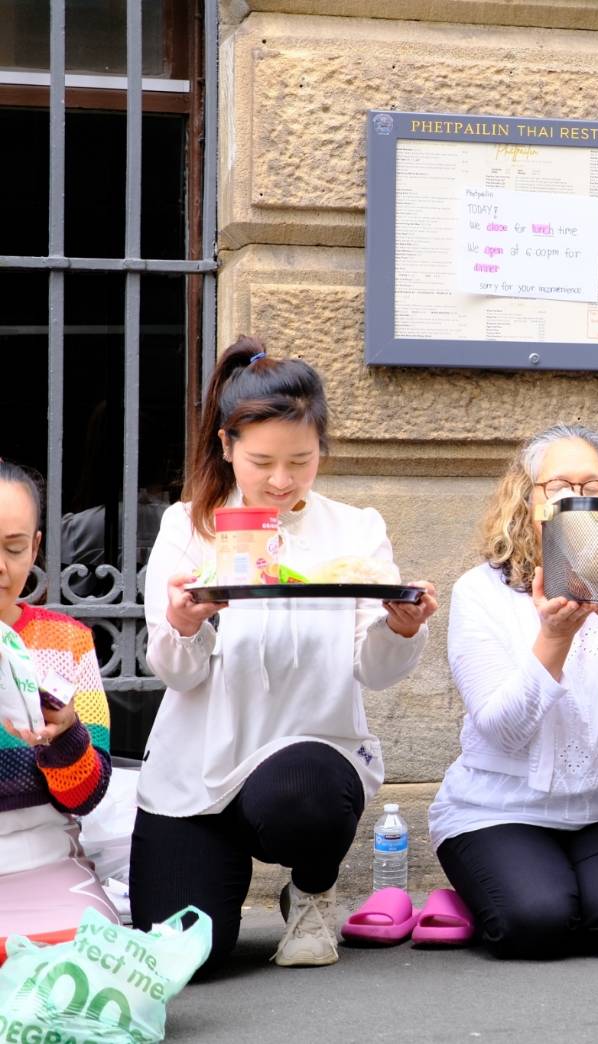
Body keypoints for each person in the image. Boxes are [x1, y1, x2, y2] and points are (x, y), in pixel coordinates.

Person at [133, 337, 438, 972]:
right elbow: (175, 672)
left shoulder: (356, 530)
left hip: (306, 761)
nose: (281, 480)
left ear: (322, 447)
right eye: (262, 461)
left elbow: (375, 670)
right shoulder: (189, 528)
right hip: (200, 767)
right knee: (190, 960)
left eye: (301, 460)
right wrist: (186, 625)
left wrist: (402, 629)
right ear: (226, 446)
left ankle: (312, 889)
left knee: (303, 791)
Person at [428, 425, 598, 959]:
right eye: (559, 486)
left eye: (593, 485)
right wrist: (554, 637)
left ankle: (572, 889)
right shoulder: (481, 591)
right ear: (529, 500)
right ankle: (479, 894)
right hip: (500, 806)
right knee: (535, 924)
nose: (578, 499)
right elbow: (501, 729)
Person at [0, 461, 116, 958]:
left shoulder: (67, 643)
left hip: (43, 861)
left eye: (13, 548)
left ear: (37, 547)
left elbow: (87, 795)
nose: (1, 569)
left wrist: (66, 738)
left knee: (89, 955)